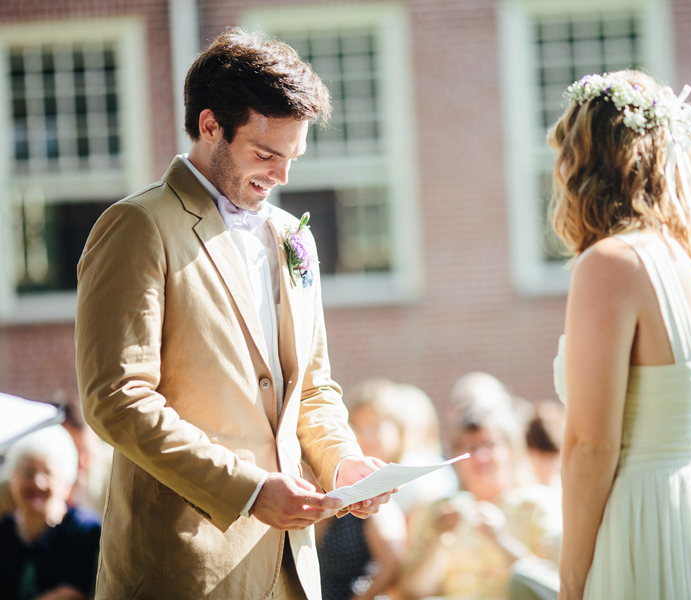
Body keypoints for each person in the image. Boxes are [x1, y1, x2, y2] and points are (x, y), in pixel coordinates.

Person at [74, 29, 392, 600]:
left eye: (292, 158)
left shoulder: (293, 236)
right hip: (183, 566)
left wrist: (342, 464)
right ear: (210, 125)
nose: (281, 178)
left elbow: (312, 387)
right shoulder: (138, 227)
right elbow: (117, 399)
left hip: (293, 570)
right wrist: (247, 490)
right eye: (266, 154)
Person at [550, 71, 691, 598]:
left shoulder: (611, 264)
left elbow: (591, 446)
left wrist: (570, 580)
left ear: (587, 161)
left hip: (652, 519)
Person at [401, 405, 561, 600]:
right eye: (471, 448)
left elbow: (552, 586)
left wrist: (502, 541)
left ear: (510, 449)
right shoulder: (439, 510)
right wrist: (438, 540)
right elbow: (412, 591)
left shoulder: (539, 504)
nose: (480, 457)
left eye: (489, 445)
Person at [316, 379, 407, 600]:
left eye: (376, 427)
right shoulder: (346, 486)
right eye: (358, 428)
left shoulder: (383, 494)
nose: (367, 437)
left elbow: (392, 561)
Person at [0, 425, 101, 600]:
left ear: (65, 481)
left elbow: (72, 593)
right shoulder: (5, 530)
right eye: (28, 472)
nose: (38, 483)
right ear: (13, 477)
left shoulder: (84, 529)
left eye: (48, 473)